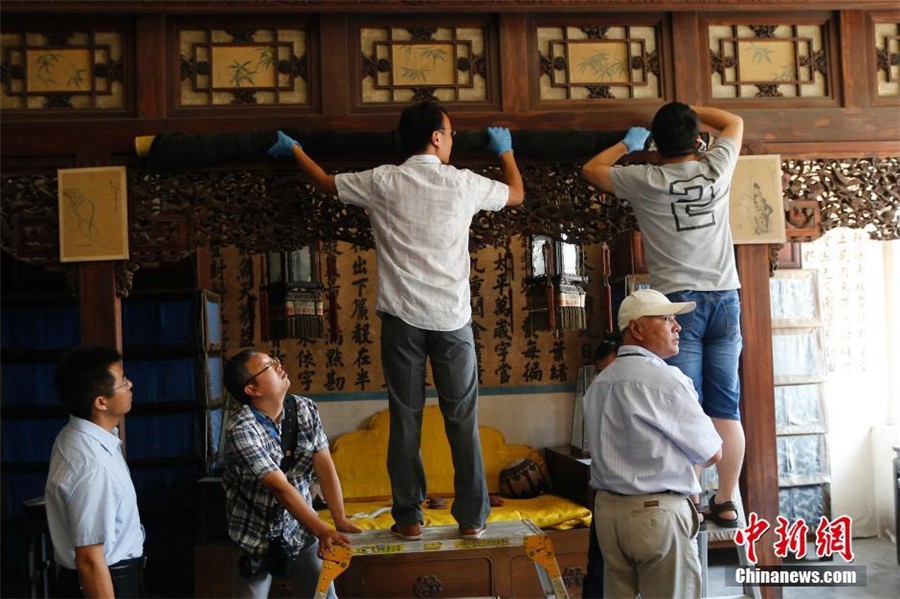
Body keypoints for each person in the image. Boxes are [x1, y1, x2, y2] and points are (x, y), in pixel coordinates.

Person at [266, 100, 525, 540]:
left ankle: (407, 518)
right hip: (452, 319)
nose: (453, 140)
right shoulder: (463, 183)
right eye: (451, 133)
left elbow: (327, 183)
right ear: (437, 137)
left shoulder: (383, 180)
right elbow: (517, 194)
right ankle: (472, 517)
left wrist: (294, 151)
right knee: (462, 418)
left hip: (402, 318)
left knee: (406, 418)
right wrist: (505, 152)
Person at [581, 102, 745, 529]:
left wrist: (629, 143)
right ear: (697, 140)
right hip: (725, 296)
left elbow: (591, 170)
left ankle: (691, 498)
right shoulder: (717, 166)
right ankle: (725, 501)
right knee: (726, 407)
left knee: (684, 404)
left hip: (677, 306)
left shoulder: (645, 178)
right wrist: (693, 106)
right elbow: (734, 122)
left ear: (655, 145)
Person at [583, 289, 722, 599]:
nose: (678, 327)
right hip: (655, 515)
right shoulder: (665, 381)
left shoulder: (599, 384)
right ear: (637, 328)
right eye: (667, 318)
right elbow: (711, 452)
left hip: (608, 515)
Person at [222, 349, 359, 598]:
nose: (278, 365)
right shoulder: (241, 428)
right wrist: (322, 529)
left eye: (275, 360)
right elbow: (279, 486)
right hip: (255, 537)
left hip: (302, 528)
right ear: (252, 389)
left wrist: (339, 520)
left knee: (325, 597)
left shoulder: (305, 409)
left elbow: (324, 465)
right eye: (268, 366)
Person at [45, 345, 146, 599]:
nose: (130, 384)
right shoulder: (92, 465)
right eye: (123, 382)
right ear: (101, 402)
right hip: (106, 582)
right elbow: (89, 559)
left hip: (115, 576)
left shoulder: (81, 435)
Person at [581, 334, 621, 599]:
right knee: (597, 572)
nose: (603, 379)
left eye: (610, 370)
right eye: (599, 373)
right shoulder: (596, 395)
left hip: (642, 502)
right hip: (606, 496)